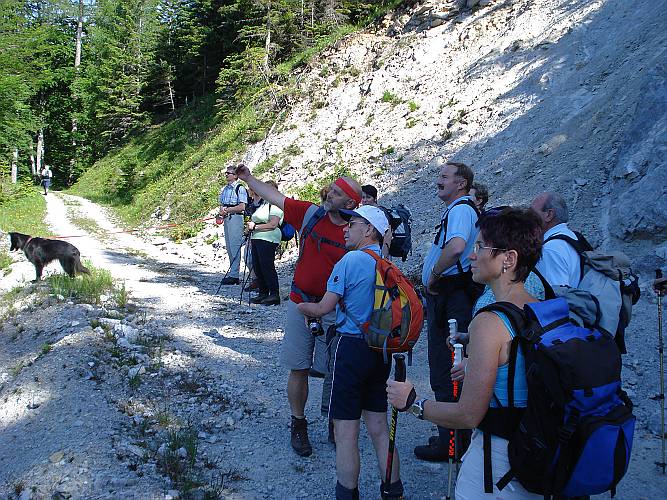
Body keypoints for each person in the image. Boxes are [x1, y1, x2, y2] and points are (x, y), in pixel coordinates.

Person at [387, 207, 544, 499]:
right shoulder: (542, 307)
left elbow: (468, 414)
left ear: (508, 259)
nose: (472, 255)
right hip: (540, 447)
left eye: (481, 246)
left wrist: (412, 403)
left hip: (499, 459)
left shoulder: (489, 321)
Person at [235, 163, 362, 457]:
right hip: (301, 302)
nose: (330, 193)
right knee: (299, 366)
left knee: (338, 369)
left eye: (337, 192)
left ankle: (336, 419)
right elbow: (275, 196)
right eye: (331, 188)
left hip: (336, 308)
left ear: (350, 203)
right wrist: (248, 178)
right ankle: (298, 422)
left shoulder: (359, 230)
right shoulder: (310, 214)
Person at [298, 205, 402, 500]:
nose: (345, 227)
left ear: (369, 229)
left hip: (350, 347)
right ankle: (393, 492)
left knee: (345, 433)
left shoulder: (350, 260)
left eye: (352, 223)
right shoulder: (385, 261)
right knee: (380, 429)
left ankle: (347, 494)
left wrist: (303, 308)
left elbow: (323, 308)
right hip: (379, 349)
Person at [417, 160, 479, 461]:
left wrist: (434, 276)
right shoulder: (460, 210)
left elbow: (455, 248)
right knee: (447, 366)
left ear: (461, 183)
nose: (438, 180)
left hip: (452, 296)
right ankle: (451, 436)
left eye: (444, 176)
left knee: (446, 368)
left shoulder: (461, 210)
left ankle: (452, 445)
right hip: (452, 296)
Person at [530, 192, 580, 287]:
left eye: (532, 213)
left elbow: (556, 295)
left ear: (549, 215)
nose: (529, 218)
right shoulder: (573, 237)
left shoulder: (550, 250)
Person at [247, 180, 283, 305]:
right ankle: (263, 293)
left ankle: (274, 294)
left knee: (266, 266)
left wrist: (255, 227)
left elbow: (273, 224)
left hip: (268, 238)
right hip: (257, 238)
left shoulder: (275, 205)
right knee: (258, 266)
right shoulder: (265, 204)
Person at [218, 166, 248, 285]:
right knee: (229, 246)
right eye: (226, 173)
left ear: (235, 175)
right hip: (227, 218)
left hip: (236, 217)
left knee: (235, 245)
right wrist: (221, 212)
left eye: (229, 173)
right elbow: (222, 204)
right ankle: (232, 273)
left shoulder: (239, 188)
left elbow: (242, 206)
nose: (226, 175)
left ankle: (235, 275)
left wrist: (228, 210)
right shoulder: (225, 189)